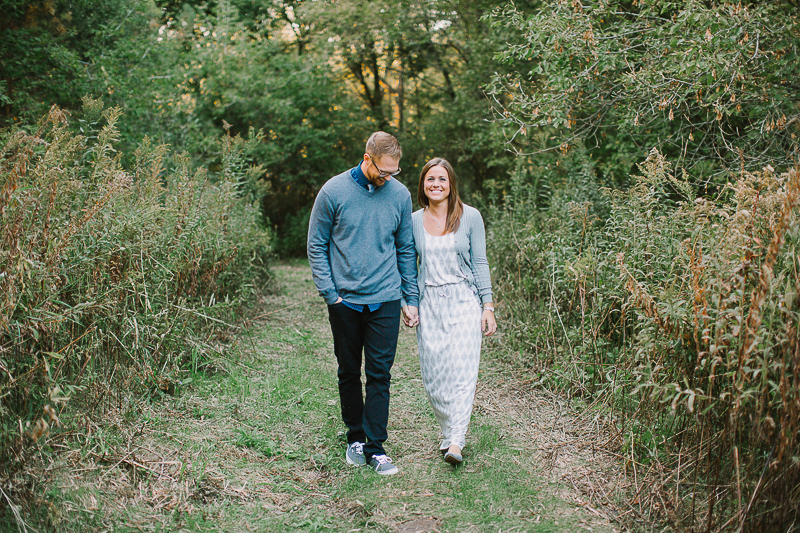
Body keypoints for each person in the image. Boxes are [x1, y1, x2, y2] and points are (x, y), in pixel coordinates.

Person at [307, 131, 419, 476]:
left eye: (394, 172)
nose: (389, 178)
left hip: (385, 298)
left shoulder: (399, 195)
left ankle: (376, 447)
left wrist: (410, 298)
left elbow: (404, 248)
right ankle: (355, 437)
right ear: (367, 158)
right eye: (384, 171)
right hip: (346, 302)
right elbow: (317, 244)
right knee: (348, 371)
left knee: (380, 374)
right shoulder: (334, 192)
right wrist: (331, 294)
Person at [401, 157, 497, 465]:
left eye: (442, 179)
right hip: (430, 303)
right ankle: (447, 432)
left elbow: (480, 262)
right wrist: (410, 301)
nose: (436, 184)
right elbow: (407, 264)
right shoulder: (414, 220)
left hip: (463, 302)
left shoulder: (470, 217)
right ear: (423, 186)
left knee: (461, 371)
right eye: (430, 179)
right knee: (434, 376)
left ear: (451, 183)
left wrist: (488, 305)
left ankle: (457, 439)